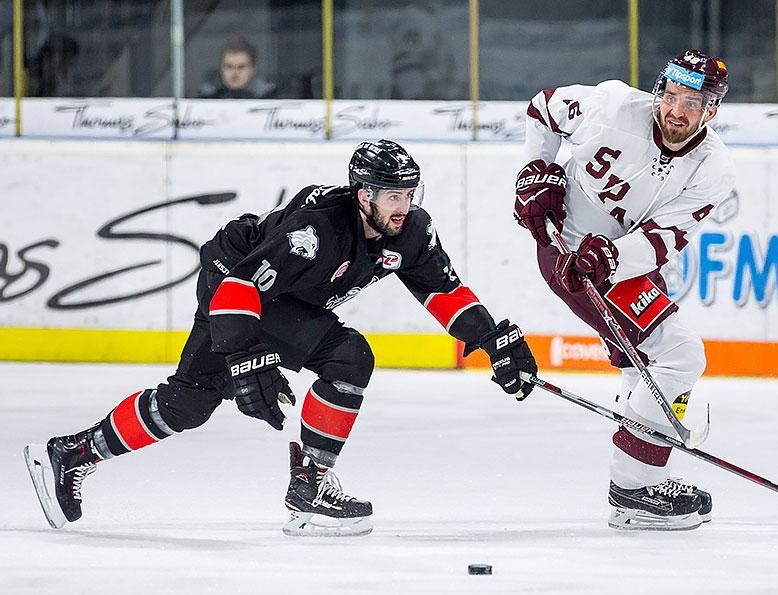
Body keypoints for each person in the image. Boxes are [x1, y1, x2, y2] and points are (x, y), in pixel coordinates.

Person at [25, 139, 537, 536]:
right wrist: (246, 356)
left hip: (280, 300)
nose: (403, 205)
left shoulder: (412, 231)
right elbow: (239, 287)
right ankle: (310, 484)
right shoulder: (315, 232)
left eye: (408, 194)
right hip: (234, 282)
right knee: (347, 356)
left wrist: (492, 340)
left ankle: (74, 452)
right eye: (392, 196)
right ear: (364, 196)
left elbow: (441, 288)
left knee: (189, 403)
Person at [514, 50, 735, 531]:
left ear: (711, 111)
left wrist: (612, 257)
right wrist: (535, 172)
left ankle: (642, 477)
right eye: (671, 96)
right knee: (681, 354)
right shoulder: (612, 106)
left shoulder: (711, 168)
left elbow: (664, 239)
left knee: (658, 358)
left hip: (618, 265)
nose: (676, 111)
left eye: (692, 103)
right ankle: (634, 488)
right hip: (567, 252)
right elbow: (543, 107)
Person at [197, 37, 277, 99]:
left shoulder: (267, 96)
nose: (235, 73)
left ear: (253, 68)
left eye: (241, 67)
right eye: (229, 67)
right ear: (221, 68)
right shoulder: (207, 97)